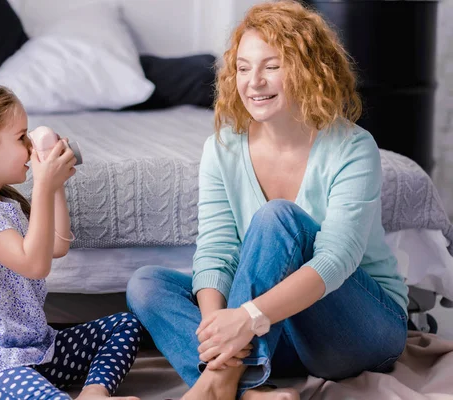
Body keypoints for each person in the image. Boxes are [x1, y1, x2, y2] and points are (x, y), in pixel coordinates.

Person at [126, 1, 409, 399]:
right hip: (276, 335)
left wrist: (247, 316)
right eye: (243, 68)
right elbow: (218, 250)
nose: (253, 82)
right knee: (147, 284)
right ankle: (246, 390)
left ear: (311, 70)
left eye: (271, 66)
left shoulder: (353, 147)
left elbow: (336, 260)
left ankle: (219, 385)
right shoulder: (221, 148)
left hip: (359, 329)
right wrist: (222, 334)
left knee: (277, 218)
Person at [0, 83, 143, 400]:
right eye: (20, 137)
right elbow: (34, 266)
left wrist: (54, 186)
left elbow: (55, 246)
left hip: (36, 351)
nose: (28, 145)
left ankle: (94, 394)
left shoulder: (6, 205)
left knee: (125, 325)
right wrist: (42, 186)